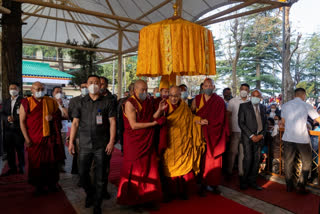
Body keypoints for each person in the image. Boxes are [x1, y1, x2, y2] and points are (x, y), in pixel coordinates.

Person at [68, 75, 116, 214]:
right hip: (84, 144)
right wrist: (71, 142)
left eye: (96, 83)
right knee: (83, 174)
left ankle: (97, 204)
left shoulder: (107, 102)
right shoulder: (80, 102)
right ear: (86, 85)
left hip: (102, 144)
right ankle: (90, 194)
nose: (94, 85)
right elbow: (75, 123)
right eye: (91, 82)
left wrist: (112, 141)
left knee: (100, 176)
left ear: (100, 85)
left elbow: (112, 122)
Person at [117, 80, 167, 207]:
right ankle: (132, 199)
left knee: (148, 168)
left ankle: (148, 197)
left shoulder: (148, 101)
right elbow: (133, 125)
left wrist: (160, 110)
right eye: (142, 90)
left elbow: (152, 117)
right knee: (134, 170)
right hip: (134, 142)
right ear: (134, 90)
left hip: (146, 140)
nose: (145, 92)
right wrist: (155, 124)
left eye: (146, 89)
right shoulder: (129, 103)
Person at [20, 82, 65, 194]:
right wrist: (27, 138)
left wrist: (53, 117)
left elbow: (59, 116)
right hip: (34, 139)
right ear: (32, 90)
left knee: (51, 162)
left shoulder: (51, 101)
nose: (40, 90)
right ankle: (38, 186)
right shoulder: (27, 102)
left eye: (42, 88)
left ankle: (52, 184)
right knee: (36, 163)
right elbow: (22, 121)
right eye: (37, 89)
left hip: (49, 138)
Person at [161, 86, 205, 200]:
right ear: (168, 95)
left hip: (184, 141)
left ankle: (182, 192)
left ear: (180, 95)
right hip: (170, 142)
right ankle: (169, 193)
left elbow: (190, 118)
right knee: (169, 167)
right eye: (171, 95)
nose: (174, 98)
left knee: (184, 166)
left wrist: (199, 121)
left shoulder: (184, 106)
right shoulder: (165, 106)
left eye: (176, 96)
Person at [191, 78, 229, 196]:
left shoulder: (219, 101)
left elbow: (221, 118)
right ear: (202, 87)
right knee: (201, 159)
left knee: (214, 160)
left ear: (214, 87)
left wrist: (209, 122)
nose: (208, 88)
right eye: (206, 86)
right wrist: (197, 120)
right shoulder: (196, 99)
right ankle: (201, 184)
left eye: (210, 86)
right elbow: (190, 114)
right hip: (200, 134)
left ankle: (214, 184)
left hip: (214, 134)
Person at [281, 88, 320, 194]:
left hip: (288, 137)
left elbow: (283, 122)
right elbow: (317, 119)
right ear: (303, 95)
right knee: (307, 162)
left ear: (295, 95)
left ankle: (289, 186)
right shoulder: (306, 105)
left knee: (288, 162)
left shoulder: (285, 105)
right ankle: (301, 185)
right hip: (302, 138)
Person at [238, 89, 267, 190]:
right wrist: (251, 136)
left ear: (260, 97)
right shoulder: (244, 106)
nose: (256, 97)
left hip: (259, 138)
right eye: (254, 95)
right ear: (250, 96)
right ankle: (244, 182)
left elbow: (266, 124)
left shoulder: (263, 107)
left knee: (256, 160)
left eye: (258, 96)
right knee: (248, 159)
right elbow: (241, 123)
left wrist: (261, 135)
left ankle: (253, 182)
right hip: (248, 138)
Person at [225, 83, 250, 178]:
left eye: (246, 89)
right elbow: (228, 116)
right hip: (235, 131)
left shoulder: (250, 102)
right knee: (232, 152)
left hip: (246, 133)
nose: (244, 90)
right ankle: (229, 171)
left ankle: (241, 173)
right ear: (240, 90)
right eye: (242, 88)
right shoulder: (233, 101)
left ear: (248, 91)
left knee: (243, 153)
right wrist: (230, 129)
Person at [1, 83, 25, 176]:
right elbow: (2, 113)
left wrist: (15, 118)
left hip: (18, 129)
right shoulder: (6, 101)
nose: (12, 90)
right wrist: (7, 118)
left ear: (18, 90)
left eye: (14, 88)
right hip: (8, 130)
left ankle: (22, 167)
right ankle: (12, 168)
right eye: (11, 88)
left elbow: (25, 114)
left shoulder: (23, 100)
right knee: (9, 150)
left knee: (20, 150)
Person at [68, 82, 88, 175]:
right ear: (80, 88)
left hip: (90, 131)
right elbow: (71, 116)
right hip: (78, 130)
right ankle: (80, 175)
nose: (84, 88)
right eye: (83, 87)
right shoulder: (74, 100)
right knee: (79, 154)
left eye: (86, 87)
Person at [52, 86, 69, 172]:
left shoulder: (65, 102)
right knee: (52, 147)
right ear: (53, 93)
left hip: (62, 129)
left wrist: (61, 104)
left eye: (60, 92)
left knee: (61, 148)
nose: (58, 93)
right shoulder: (49, 101)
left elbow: (67, 116)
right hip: (51, 129)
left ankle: (61, 165)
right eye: (56, 91)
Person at [117, 83, 135, 153]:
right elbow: (120, 118)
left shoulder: (141, 101)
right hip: (126, 127)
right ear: (130, 91)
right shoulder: (124, 101)